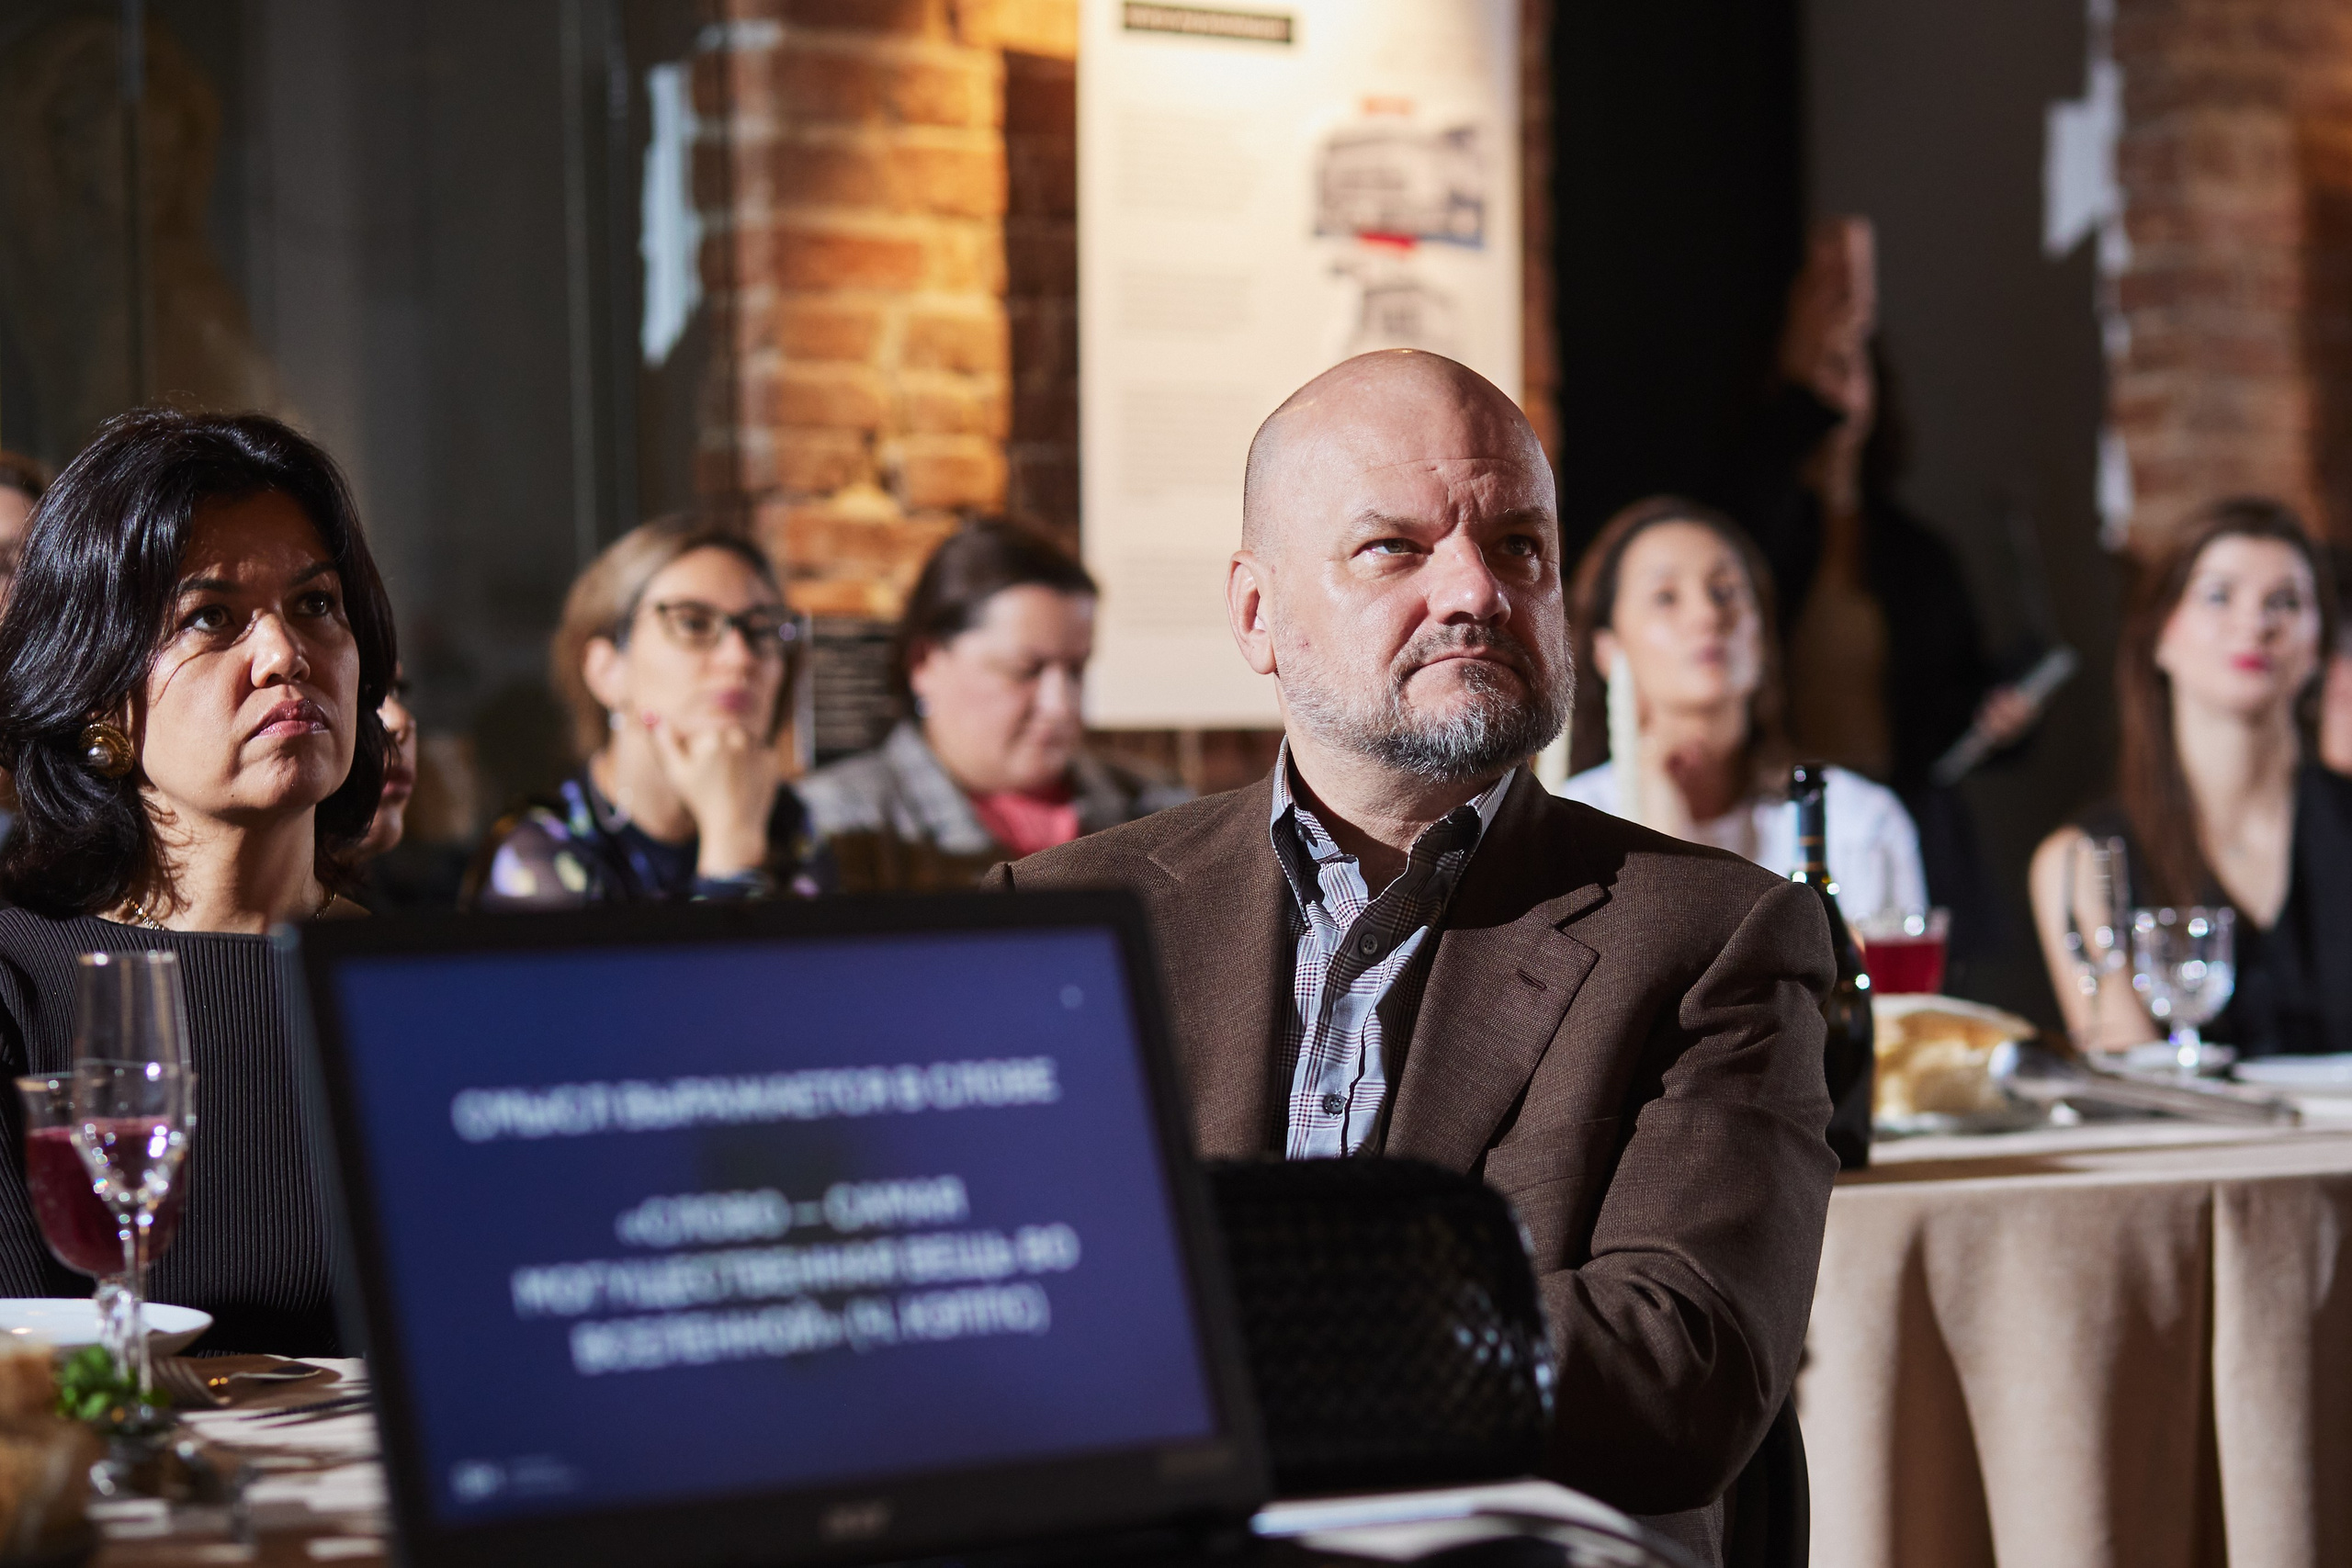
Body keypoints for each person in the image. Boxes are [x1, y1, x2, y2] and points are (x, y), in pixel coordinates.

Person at [988, 350, 1837, 1560]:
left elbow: (1678, 1368)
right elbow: (979, 1320)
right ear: (1254, 613)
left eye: (1519, 545)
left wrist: (1209, 1336)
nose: (1477, 591)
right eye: (1394, 547)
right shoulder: (1060, 915)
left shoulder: (1711, 935)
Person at [0, 410, 398, 1354]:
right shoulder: (17, 982)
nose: (284, 656)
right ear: (99, 694)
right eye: (210, 617)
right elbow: (21, 1384)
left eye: (316, 604)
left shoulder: (420, 981)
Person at [1723, 220, 2037, 964]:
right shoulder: (1749, 530)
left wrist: (2000, 716)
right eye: (1822, 368)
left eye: (1853, 367)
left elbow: (1946, 702)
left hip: (1902, 826)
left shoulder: (1917, 551)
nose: (1839, 390)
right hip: (1780, 824)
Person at [2031, 498, 2352, 1056]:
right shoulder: (2083, 861)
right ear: (2159, 633)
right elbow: (2137, 1084)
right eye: (2219, 595)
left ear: (2319, 648)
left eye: (2286, 601)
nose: (2255, 623)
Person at [1558, 494, 1927, 922]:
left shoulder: (1856, 821)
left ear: (1762, 633)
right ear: (1608, 649)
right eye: (1665, 597)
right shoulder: (1568, 832)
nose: (1708, 614)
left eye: (1726, 591)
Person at [799, 520, 1188, 892]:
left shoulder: (1158, 811)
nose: (1060, 706)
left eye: (1076, 670)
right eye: (1023, 671)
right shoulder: (838, 824)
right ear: (924, 662)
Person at [468, 518, 829, 908]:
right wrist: (732, 851)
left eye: (761, 630)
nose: (740, 658)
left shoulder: (787, 824)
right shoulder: (542, 854)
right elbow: (721, 973)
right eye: (692, 623)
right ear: (607, 671)